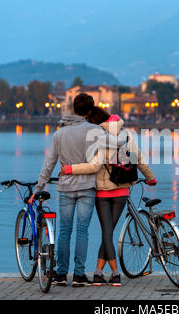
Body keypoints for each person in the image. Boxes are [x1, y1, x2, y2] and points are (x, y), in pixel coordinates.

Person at [29, 93, 126, 287]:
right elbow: (119, 142)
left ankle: (62, 274)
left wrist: (39, 188)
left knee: (64, 230)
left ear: (74, 109)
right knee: (82, 231)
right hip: (87, 187)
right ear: (90, 111)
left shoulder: (59, 134)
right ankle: (80, 275)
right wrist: (119, 127)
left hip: (66, 187)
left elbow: (49, 165)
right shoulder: (95, 131)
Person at [61, 107, 157, 286]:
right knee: (109, 232)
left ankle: (114, 274)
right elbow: (140, 159)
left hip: (102, 192)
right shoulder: (127, 134)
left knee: (107, 232)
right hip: (122, 190)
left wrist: (69, 169)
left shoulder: (97, 135)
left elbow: (93, 165)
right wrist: (151, 178)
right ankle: (98, 273)